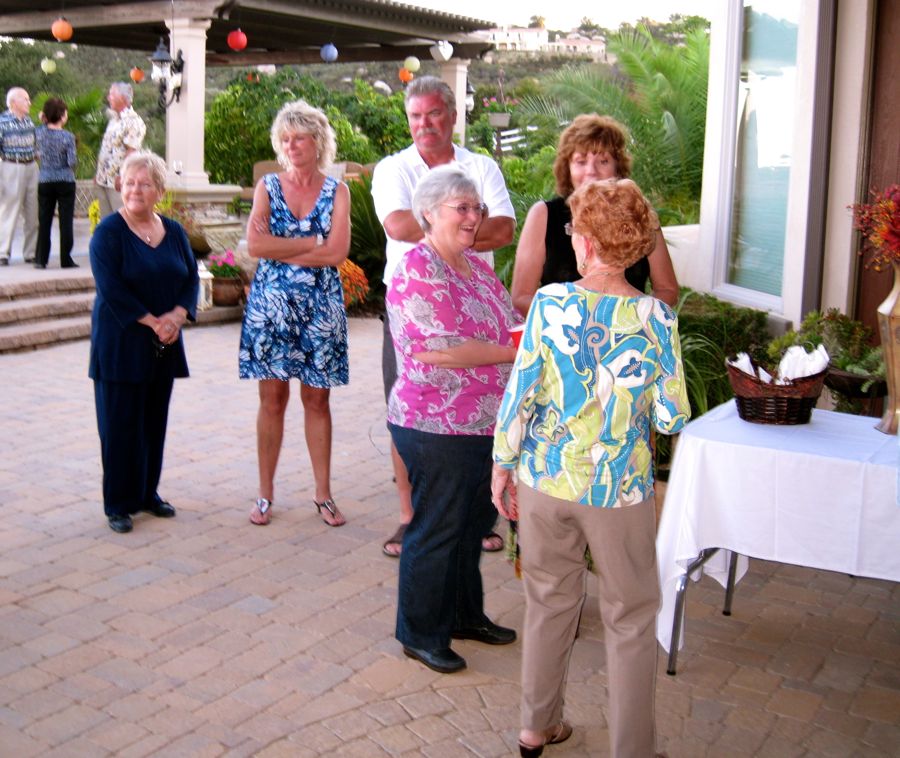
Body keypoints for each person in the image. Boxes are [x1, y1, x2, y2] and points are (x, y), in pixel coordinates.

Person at [492, 179, 691, 757]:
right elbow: (671, 414)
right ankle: (632, 749)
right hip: (618, 491)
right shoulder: (656, 318)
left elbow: (520, 392)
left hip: (546, 482)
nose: (572, 237)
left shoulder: (551, 303)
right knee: (629, 615)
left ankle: (536, 727)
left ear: (589, 244)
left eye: (576, 228)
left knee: (549, 599)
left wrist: (503, 465)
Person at [372, 75, 516, 557]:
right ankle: (410, 515)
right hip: (416, 310)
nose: (424, 124)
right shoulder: (394, 168)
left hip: (479, 308)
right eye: (415, 116)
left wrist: (446, 224)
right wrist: (464, 226)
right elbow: (395, 225)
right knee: (412, 405)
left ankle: (477, 513)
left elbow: (505, 227)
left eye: (433, 114)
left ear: (454, 116)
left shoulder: (481, 165)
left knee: (481, 406)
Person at [387, 165, 521, 674]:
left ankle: (465, 615)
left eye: (477, 208)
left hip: (484, 423)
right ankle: (420, 632)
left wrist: (519, 338)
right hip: (435, 423)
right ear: (429, 213)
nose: (473, 218)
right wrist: (518, 353)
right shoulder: (419, 269)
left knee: (472, 526)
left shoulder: (478, 269)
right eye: (461, 208)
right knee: (438, 527)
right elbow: (441, 352)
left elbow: (505, 326)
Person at [239, 100, 351, 529]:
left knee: (317, 399)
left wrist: (285, 247)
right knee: (272, 400)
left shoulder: (336, 190)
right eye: (285, 138)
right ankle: (265, 495)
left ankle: (323, 494)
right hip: (272, 309)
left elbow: (338, 253)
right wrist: (311, 244)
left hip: (320, 308)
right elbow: (256, 246)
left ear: (317, 141)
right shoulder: (267, 185)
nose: (291, 145)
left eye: (299, 137)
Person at [89, 151, 199, 534]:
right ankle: (118, 503)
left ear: (159, 190)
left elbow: (191, 279)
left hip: (162, 344)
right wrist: (155, 321)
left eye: (145, 183)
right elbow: (111, 289)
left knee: (154, 422)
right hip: (120, 344)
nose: (136, 189)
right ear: (120, 185)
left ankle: (147, 493)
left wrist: (178, 315)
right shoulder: (108, 233)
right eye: (130, 182)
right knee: (119, 426)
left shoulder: (174, 231)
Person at [510, 114, 679, 316]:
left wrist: (630, 321)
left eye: (603, 161)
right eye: (581, 161)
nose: (591, 171)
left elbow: (667, 290)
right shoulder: (543, 215)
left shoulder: (639, 214)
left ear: (618, 167)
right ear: (567, 168)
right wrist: (577, 321)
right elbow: (521, 297)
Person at [34, 97, 78, 269]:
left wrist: (42, 121)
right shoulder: (68, 137)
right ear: (61, 115)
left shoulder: (39, 132)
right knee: (66, 221)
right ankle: (65, 259)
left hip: (45, 179)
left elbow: (36, 149)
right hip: (65, 181)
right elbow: (71, 161)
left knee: (44, 220)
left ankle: (41, 259)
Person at [94, 82, 146, 218]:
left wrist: (123, 176)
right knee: (107, 224)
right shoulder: (113, 121)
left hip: (118, 184)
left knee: (123, 221)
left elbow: (131, 152)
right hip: (103, 181)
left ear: (123, 98)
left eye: (111, 94)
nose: (108, 97)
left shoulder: (134, 121)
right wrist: (98, 174)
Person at [0, 87, 38, 266]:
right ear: (14, 102)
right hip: (11, 166)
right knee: (9, 211)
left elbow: (36, 144)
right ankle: (2, 252)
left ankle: (30, 252)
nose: (29, 103)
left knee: (32, 211)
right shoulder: (3, 121)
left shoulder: (29, 122)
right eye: (26, 99)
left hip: (31, 166)